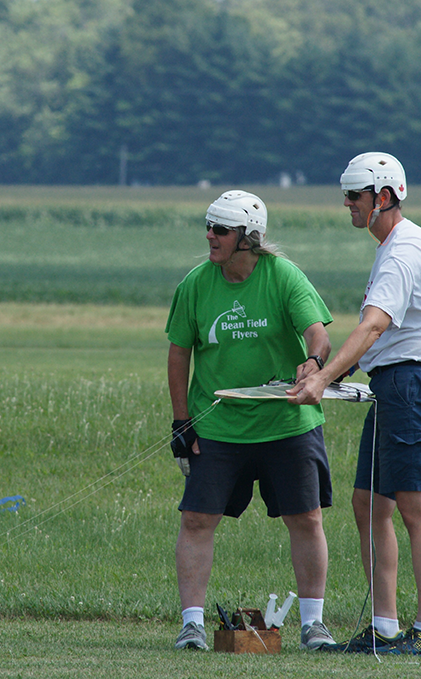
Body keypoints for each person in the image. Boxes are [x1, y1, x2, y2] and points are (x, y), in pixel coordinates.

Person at [288, 152, 421, 656]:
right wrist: (321, 369)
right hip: (394, 384)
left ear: (383, 197)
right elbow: (384, 336)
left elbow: (374, 326)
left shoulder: (402, 251)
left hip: (412, 387)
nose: (347, 204)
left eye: (354, 196)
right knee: (368, 504)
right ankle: (384, 626)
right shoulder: (395, 247)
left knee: (418, 510)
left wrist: (325, 380)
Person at [166, 190, 338, 652]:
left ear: (248, 238)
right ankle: (192, 626)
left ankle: (313, 625)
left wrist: (313, 362)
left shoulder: (284, 277)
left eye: (220, 229)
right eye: (208, 226)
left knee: (306, 518)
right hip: (219, 429)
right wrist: (182, 421)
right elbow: (179, 351)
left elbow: (317, 334)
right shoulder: (196, 284)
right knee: (197, 520)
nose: (210, 236)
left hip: (288, 425)